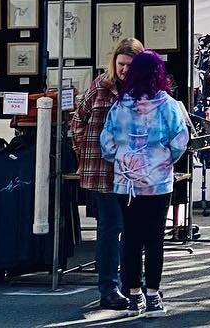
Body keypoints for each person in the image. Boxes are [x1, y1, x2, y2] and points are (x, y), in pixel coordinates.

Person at [97, 49, 187, 317]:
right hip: (158, 184)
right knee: (155, 238)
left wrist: (122, 159)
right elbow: (180, 140)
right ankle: (153, 295)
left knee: (131, 238)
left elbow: (106, 144)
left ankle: (133, 295)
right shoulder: (168, 105)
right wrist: (162, 160)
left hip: (126, 184)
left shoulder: (120, 105)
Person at [69, 36, 145, 311]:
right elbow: (78, 119)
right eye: (121, 63)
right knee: (110, 228)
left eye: (130, 65)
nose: (124, 69)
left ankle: (131, 283)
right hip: (102, 170)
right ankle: (109, 288)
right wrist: (84, 152)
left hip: (133, 172)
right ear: (113, 62)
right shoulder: (100, 85)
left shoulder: (143, 91)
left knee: (133, 230)